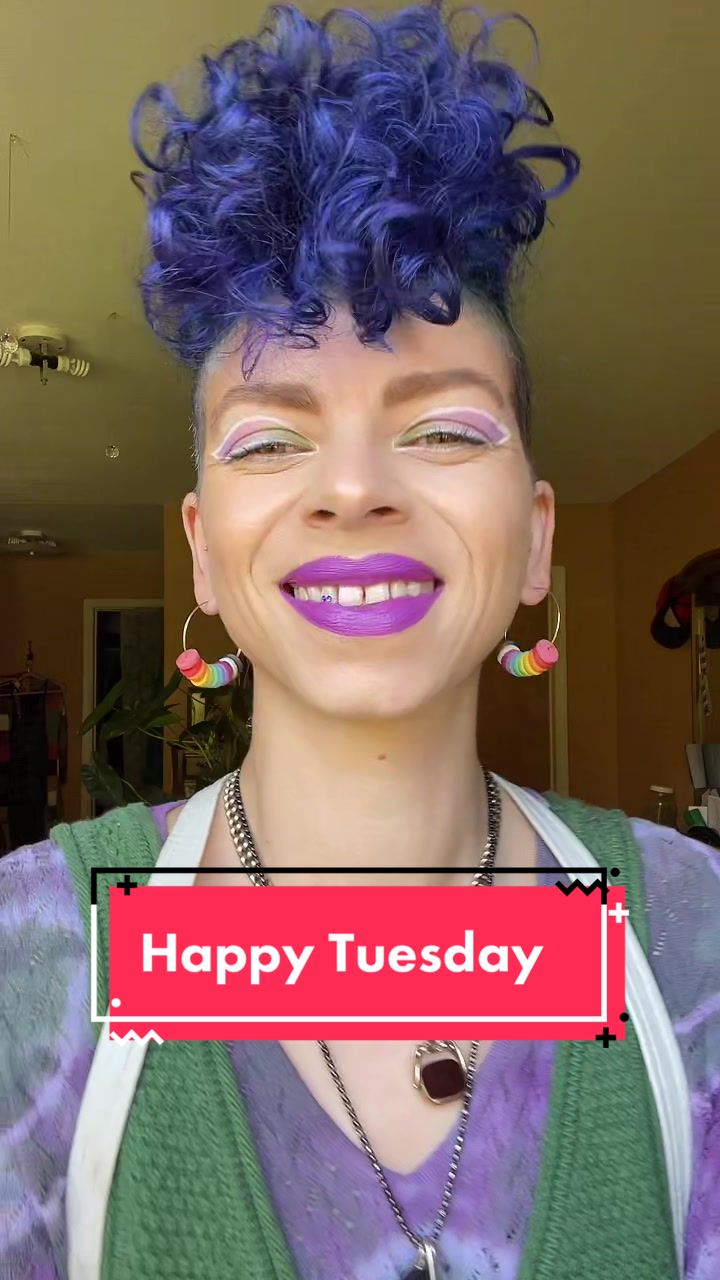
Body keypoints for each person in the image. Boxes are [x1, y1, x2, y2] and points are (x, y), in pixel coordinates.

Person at [1, 3, 718, 1278]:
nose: (352, 487)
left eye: (442, 428)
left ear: (537, 538)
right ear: (206, 552)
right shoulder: (31, 961)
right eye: (271, 439)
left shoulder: (693, 939)